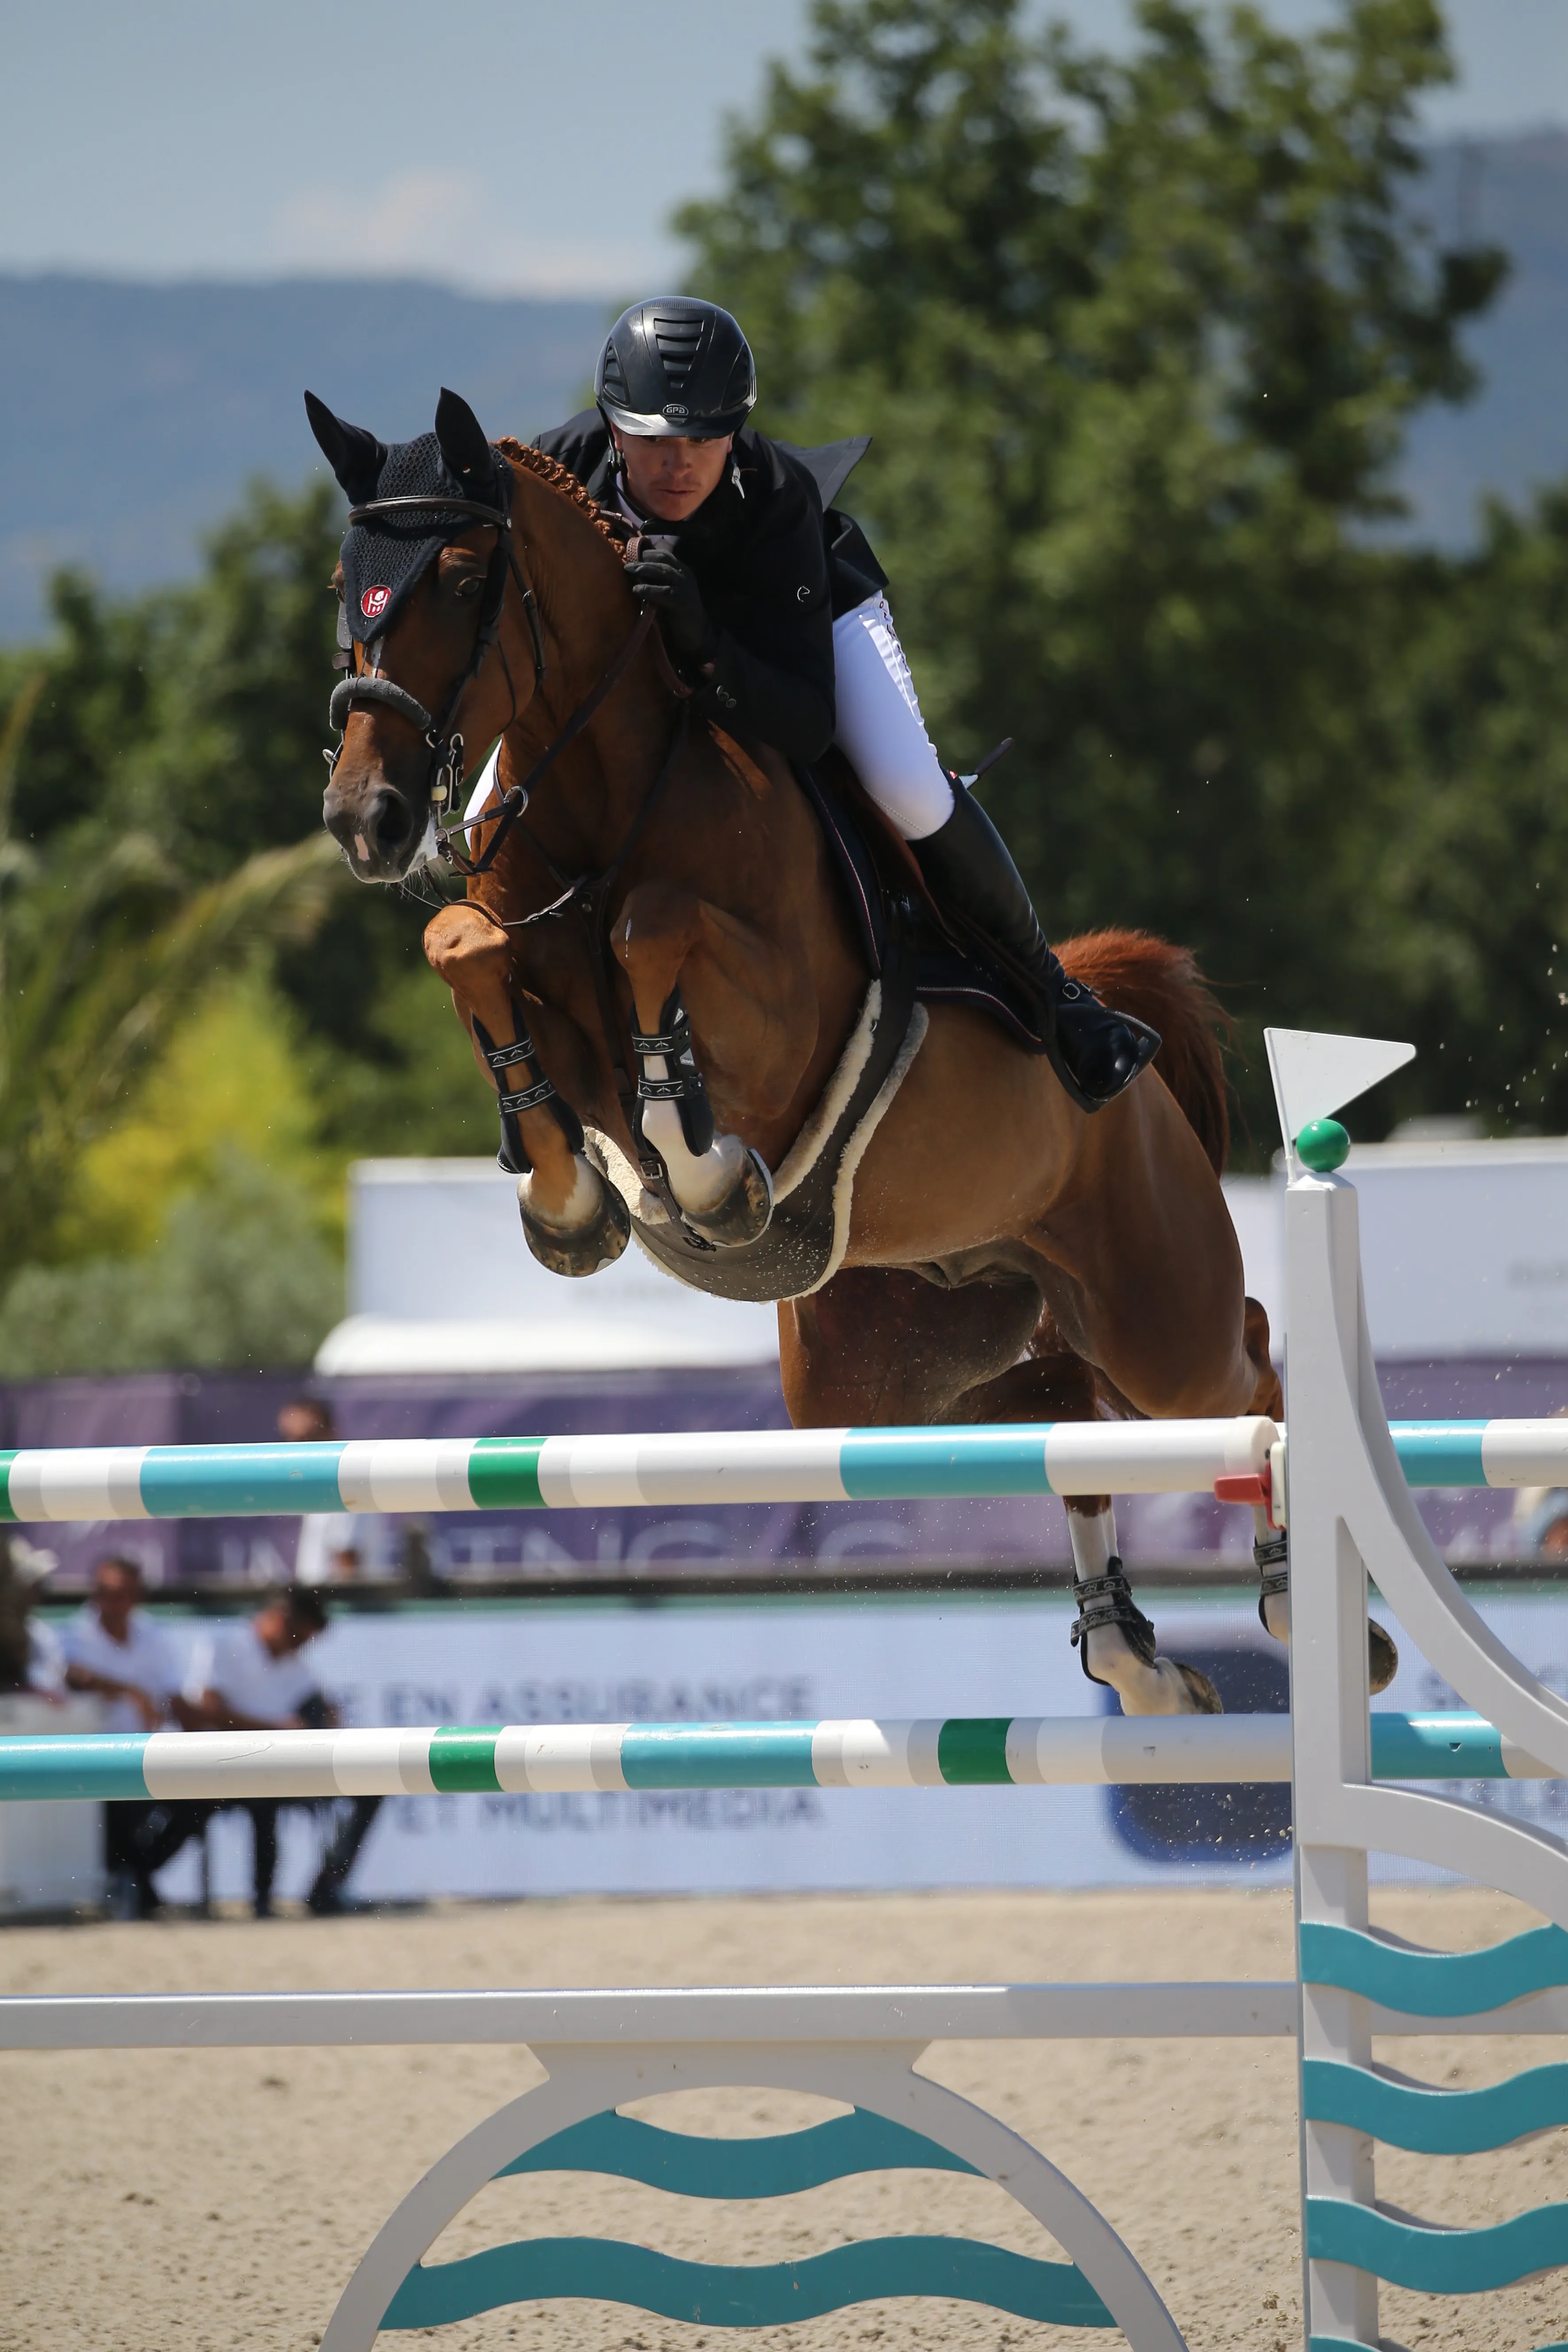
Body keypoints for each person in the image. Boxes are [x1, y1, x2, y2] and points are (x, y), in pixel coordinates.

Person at [523, 295, 1158, 1112]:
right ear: (613, 430)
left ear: (734, 430)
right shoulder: (558, 468)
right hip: (635, 660)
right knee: (479, 813)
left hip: (802, 629)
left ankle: (1056, 995)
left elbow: (803, 721)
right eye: (654, 442)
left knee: (905, 785)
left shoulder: (778, 501)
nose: (678, 465)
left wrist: (707, 643)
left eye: (704, 440)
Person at [177, 1589, 381, 1917]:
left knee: (370, 1787)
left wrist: (323, 1720)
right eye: (298, 1636)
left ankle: (328, 1883)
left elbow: (323, 1712)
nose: (300, 1646)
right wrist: (271, 1730)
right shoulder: (223, 1645)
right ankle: (262, 1897)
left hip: (271, 1769)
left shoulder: (295, 1666)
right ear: (278, 1619)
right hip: (218, 1768)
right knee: (262, 1792)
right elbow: (207, 1712)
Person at [59, 1556, 193, 1918]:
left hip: (149, 1751)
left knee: (201, 1801)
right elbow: (74, 1676)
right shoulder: (75, 1632)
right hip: (91, 1754)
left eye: (120, 1593)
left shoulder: (153, 1635)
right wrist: (132, 1691)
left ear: (137, 1596)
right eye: (104, 1592)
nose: (111, 1601)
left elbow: (175, 1697)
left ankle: (134, 1877)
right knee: (116, 1807)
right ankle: (137, 1883)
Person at [278, 1396, 363, 1584]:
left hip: (336, 1600)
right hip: (320, 1597)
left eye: (305, 1438)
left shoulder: (345, 1483)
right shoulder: (323, 1485)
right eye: (290, 1439)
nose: (296, 1449)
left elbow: (348, 1567)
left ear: (330, 1433)